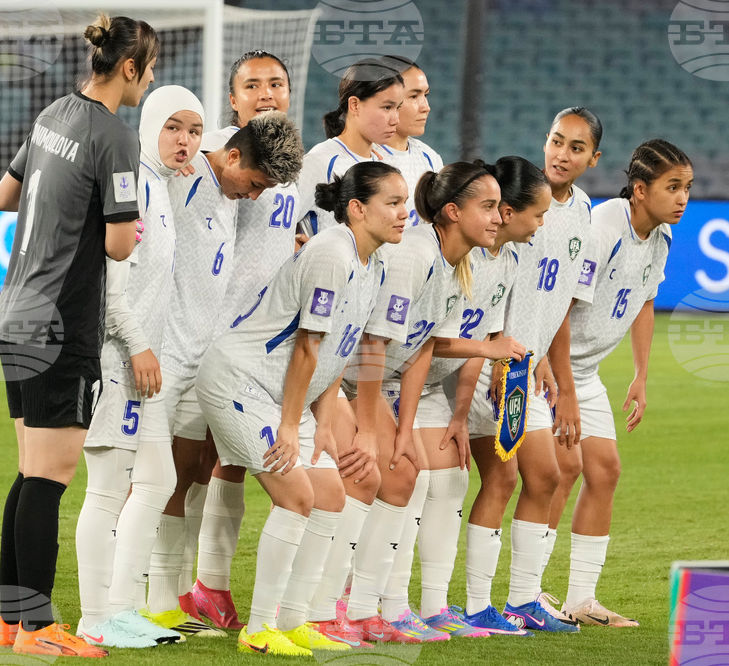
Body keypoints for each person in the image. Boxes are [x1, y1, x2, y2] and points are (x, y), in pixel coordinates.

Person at [0, 12, 156, 658]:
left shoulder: (52, 113)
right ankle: (36, 628)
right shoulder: (115, 136)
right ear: (128, 68)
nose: (149, 80)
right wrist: (128, 225)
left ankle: (10, 621)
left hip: (15, 316)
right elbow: (118, 245)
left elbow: (4, 195)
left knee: (31, 469)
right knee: (49, 479)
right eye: (149, 68)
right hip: (63, 322)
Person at [194, 161, 406, 655]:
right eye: (392, 203)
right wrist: (292, 425)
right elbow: (308, 346)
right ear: (357, 209)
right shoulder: (332, 253)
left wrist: (323, 420)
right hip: (239, 382)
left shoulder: (375, 263)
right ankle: (258, 629)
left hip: (282, 395)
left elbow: (339, 349)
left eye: (403, 203)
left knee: (331, 494)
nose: (403, 214)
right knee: (296, 496)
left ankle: (295, 620)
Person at [147, 51, 298, 630]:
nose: (265, 93)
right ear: (231, 101)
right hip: (190, 342)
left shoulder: (276, 168)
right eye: (251, 85)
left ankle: (199, 588)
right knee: (174, 471)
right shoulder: (195, 161)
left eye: (276, 84)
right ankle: (159, 592)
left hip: (247, 346)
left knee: (219, 463)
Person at [328, 161, 502, 643]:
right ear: (452, 211)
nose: (497, 217)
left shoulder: (451, 261)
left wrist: (403, 429)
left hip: (372, 379)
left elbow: (423, 346)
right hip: (345, 375)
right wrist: (370, 426)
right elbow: (371, 342)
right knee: (383, 476)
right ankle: (344, 605)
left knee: (405, 472)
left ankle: (370, 608)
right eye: (487, 207)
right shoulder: (417, 256)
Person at [72, 84, 218, 648]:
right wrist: (136, 346)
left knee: (155, 479)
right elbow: (112, 283)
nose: (185, 140)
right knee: (108, 489)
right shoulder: (130, 182)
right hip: (119, 358)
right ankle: (96, 618)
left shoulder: (158, 184)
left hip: (144, 362)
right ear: (150, 125)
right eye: (174, 127)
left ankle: (123, 607)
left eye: (194, 130)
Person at [462, 107, 603, 635]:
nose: (562, 154)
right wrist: (508, 354)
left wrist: (549, 367)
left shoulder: (582, 210)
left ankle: (520, 599)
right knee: (496, 479)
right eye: (555, 141)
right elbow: (505, 300)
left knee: (544, 476)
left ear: (593, 157)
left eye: (575, 146)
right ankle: (472, 603)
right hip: (495, 369)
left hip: (524, 366)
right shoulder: (505, 219)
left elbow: (557, 300)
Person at [547, 140, 692, 627]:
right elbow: (559, 308)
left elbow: (645, 302)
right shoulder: (604, 228)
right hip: (548, 363)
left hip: (583, 373)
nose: (682, 198)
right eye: (673, 187)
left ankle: (581, 601)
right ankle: (528, 595)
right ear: (639, 189)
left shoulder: (661, 238)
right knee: (562, 470)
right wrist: (563, 389)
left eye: (687, 188)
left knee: (604, 470)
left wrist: (640, 375)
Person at [406, 156, 550, 636]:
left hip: (433, 384)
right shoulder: (443, 255)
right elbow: (433, 339)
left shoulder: (503, 261)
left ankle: (435, 607)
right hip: (390, 378)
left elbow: (473, 344)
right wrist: (490, 349)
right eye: (537, 215)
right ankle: (370, 604)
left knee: (450, 484)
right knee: (406, 486)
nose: (540, 225)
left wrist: (460, 417)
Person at [294, 58, 404, 236]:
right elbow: (280, 226)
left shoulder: (385, 164)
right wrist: (295, 244)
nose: (396, 119)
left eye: (398, 108)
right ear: (354, 105)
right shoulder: (320, 162)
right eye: (386, 107)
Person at [375, 58, 444, 226]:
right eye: (414, 96)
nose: (426, 107)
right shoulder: (358, 158)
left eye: (425, 95)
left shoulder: (430, 159)